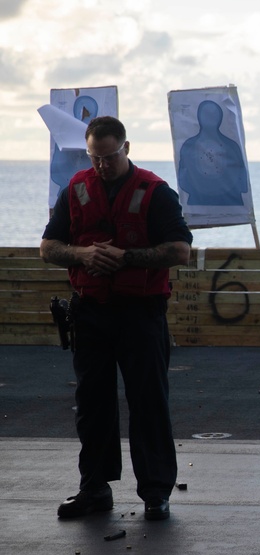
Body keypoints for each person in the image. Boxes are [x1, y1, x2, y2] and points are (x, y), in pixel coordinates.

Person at [40, 116, 192, 521]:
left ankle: (156, 492)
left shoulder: (156, 193)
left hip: (141, 313)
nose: (102, 165)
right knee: (91, 403)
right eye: (95, 158)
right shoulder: (75, 190)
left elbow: (179, 251)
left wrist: (126, 258)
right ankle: (94, 487)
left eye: (109, 157)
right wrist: (82, 255)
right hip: (91, 312)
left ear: (127, 148)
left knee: (148, 401)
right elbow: (48, 247)